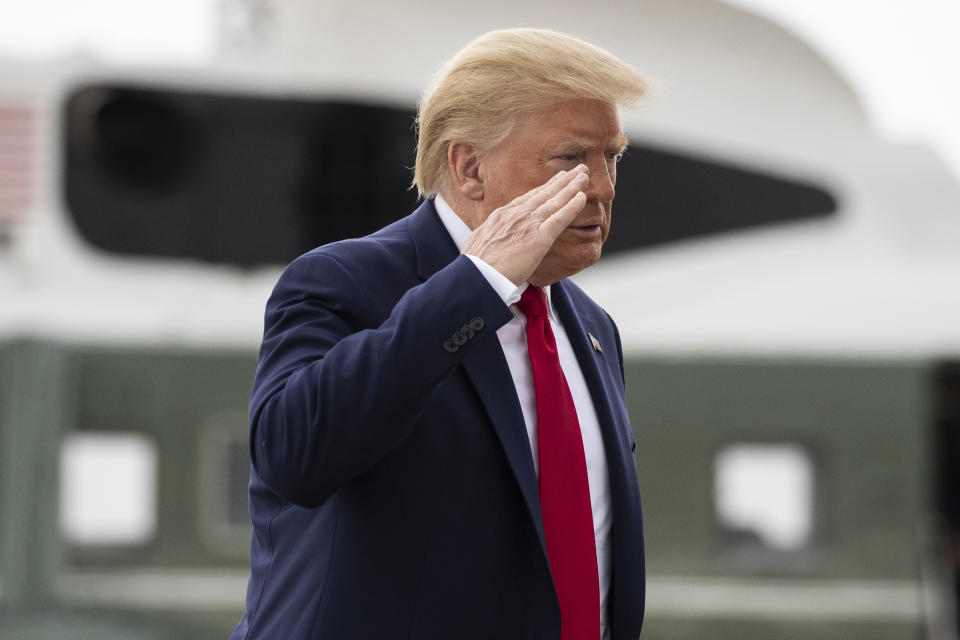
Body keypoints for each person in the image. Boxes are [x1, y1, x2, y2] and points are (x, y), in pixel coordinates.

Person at [231, 28, 648, 640]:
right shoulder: (341, 280)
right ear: (469, 166)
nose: (603, 187)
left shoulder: (590, 328)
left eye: (612, 158)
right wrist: (474, 286)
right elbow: (294, 457)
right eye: (571, 158)